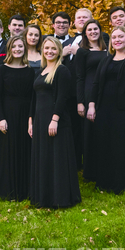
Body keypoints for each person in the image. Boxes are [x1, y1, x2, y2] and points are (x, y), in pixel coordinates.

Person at [87, 26, 125, 193]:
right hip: (104, 108)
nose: (117, 40)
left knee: (122, 145)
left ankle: (122, 182)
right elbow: (96, 84)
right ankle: (104, 181)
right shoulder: (105, 61)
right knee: (105, 144)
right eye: (114, 37)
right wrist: (91, 105)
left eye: (121, 37)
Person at [28, 37, 81, 208]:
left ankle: (59, 197)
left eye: (53, 48)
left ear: (59, 51)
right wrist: (30, 121)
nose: (49, 51)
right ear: (42, 50)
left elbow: (62, 97)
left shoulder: (62, 70)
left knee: (57, 158)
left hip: (56, 121)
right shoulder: (40, 71)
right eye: (46, 48)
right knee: (43, 157)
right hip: (39, 120)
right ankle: (43, 196)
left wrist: (55, 119)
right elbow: (33, 99)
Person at [0, 35, 35, 201]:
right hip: (7, 113)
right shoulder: (1, 69)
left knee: (24, 148)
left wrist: (31, 118)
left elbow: (32, 97)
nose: (17, 49)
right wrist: (0, 117)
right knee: (7, 149)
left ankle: (24, 189)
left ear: (25, 49)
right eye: (14, 46)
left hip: (25, 114)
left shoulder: (30, 71)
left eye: (20, 46)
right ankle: (7, 190)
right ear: (9, 49)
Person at [74, 19, 109, 182]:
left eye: (96, 29)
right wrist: (80, 102)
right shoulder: (82, 52)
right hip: (89, 93)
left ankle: (105, 167)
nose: (93, 32)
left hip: (107, 92)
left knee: (105, 130)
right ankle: (90, 171)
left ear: (100, 31)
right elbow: (79, 77)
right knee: (90, 132)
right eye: (89, 30)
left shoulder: (109, 49)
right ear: (85, 33)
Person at [51, 11, 83, 170]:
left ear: (70, 25)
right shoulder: (45, 40)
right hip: (50, 91)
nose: (61, 25)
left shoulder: (76, 41)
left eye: (65, 22)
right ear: (53, 25)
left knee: (73, 128)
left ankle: (74, 163)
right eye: (58, 22)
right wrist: (61, 55)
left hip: (71, 93)